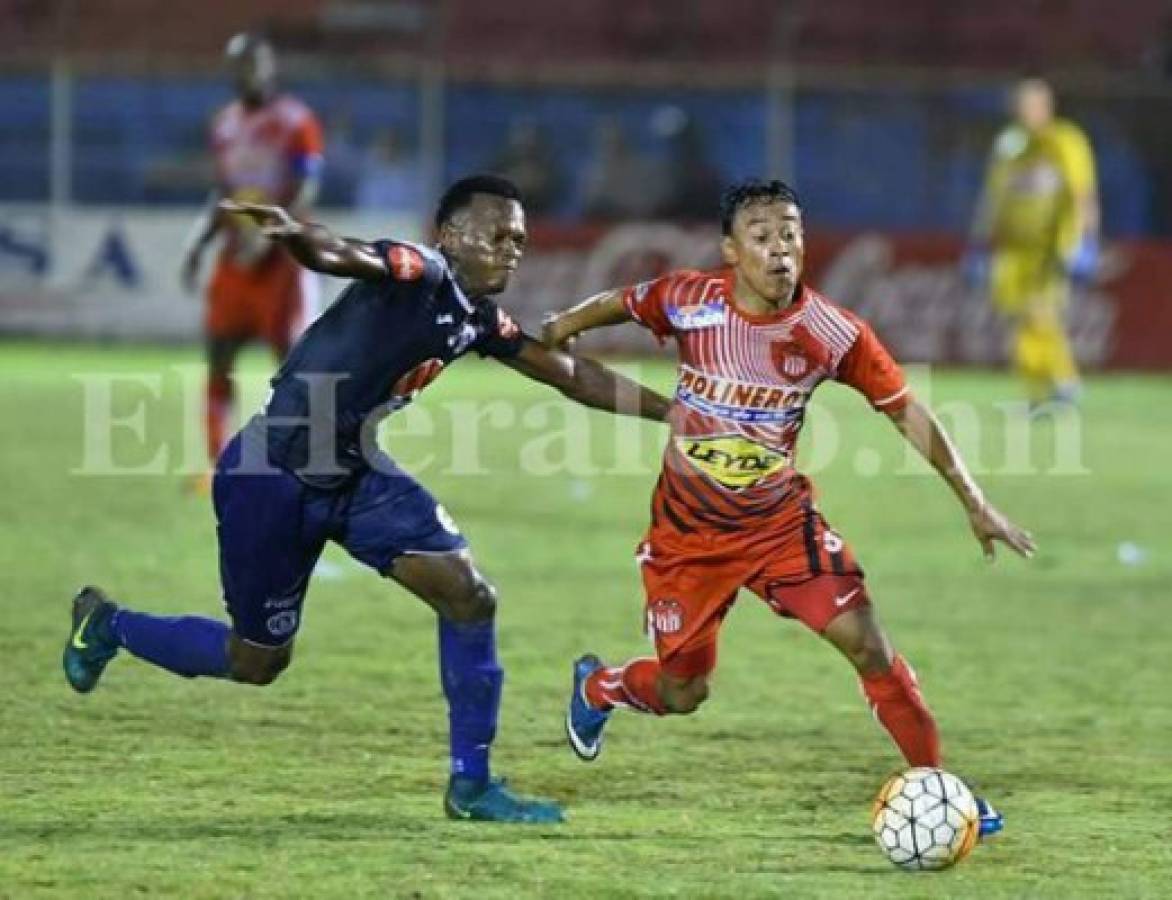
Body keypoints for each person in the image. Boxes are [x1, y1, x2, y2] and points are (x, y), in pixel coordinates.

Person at [64, 175, 672, 824]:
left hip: (354, 474)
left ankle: (472, 786)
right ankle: (109, 626)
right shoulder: (423, 271)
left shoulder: (477, 319)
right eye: (499, 234)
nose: (513, 248)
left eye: (519, 238)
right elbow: (347, 254)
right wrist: (302, 238)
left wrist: (679, 413)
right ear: (451, 236)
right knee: (256, 661)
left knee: (469, 595)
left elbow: (572, 373)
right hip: (271, 474)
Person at [543, 179, 1036, 837]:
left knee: (868, 644)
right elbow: (625, 303)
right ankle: (601, 688)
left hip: (780, 526)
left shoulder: (831, 332)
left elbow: (906, 411)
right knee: (683, 692)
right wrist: (563, 328)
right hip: (688, 537)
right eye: (763, 236)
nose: (781, 251)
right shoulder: (691, 299)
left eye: (791, 234)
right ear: (731, 249)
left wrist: (974, 502)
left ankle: (939, 788)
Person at [180, 34, 325, 490]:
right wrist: (200, 243)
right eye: (238, 65)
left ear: (270, 68)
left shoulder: (295, 121)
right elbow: (223, 193)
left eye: (254, 64)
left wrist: (273, 234)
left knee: (292, 363)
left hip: (279, 260)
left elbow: (307, 185)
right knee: (218, 355)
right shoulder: (224, 124)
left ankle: (309, 460)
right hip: (234, 256)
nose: (246, 73)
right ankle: (219, 463)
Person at [965, 77, 1099, 411]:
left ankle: (1064, 383)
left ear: (1046, 106)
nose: (1024, 111)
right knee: (1017, 319)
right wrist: (979, 242)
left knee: (1040, 313)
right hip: (1011, 250)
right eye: (1019, 105)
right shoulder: (1011, 146)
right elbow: (993, 197)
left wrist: (1085, 240)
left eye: (1030, 104)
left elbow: (1082, 193)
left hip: (1049, 248)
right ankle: (1040, 392)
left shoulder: (1065, 141)